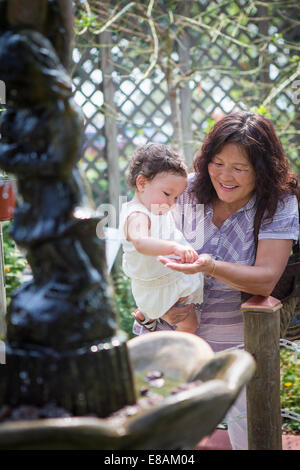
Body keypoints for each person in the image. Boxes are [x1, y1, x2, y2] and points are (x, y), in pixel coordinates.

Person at [132, 111, 299, 449]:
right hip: (171, 335)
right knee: (157, 435)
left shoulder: (278, 204)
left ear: (262, 170)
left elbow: (266, 279)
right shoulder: (184, 190)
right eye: (217, 163)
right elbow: (141, 252)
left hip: (238, 347)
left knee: (252, 434)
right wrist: (158, 312)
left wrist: (209, 265)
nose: (225, 176)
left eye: (240, 168)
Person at [119, 143, 205, 334]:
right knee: (189, 325)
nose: (172, 202)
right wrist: (174, 248)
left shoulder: (154, 208)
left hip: (162, 277)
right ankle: (175, 357)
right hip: (160, 282)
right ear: (142, 183)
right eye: (167, 194)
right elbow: (141, 242)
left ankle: (148, 315)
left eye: (176, 197)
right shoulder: (136, 214)